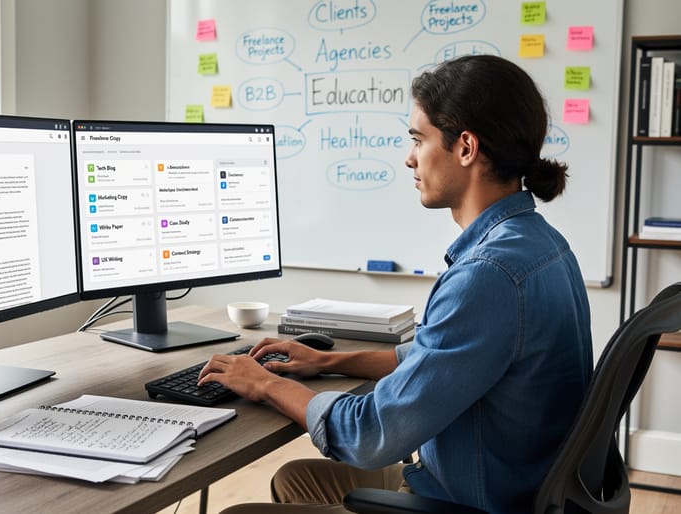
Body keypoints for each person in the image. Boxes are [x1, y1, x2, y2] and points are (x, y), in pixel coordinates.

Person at [198, 54, 593, 513]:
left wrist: (265, 384)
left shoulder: (488, 277)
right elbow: (442, 358)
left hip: (467, 499)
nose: (409, 158)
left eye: (418, 139)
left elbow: (370, 435)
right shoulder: (541, 245)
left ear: (466, 148)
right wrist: (331, 360)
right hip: (492, 478)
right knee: (296, 478)